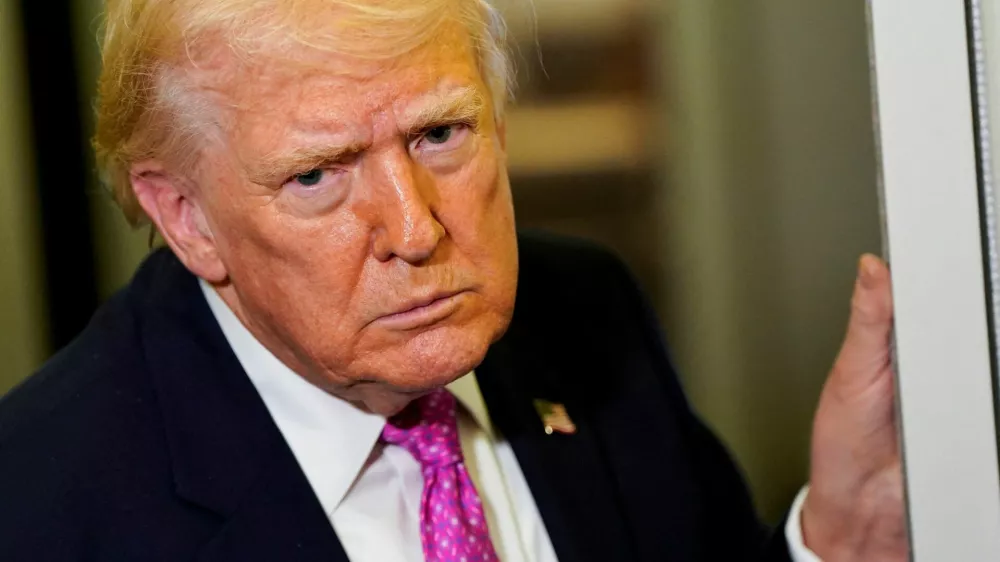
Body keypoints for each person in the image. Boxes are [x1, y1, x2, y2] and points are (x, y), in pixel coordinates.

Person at [0, 1, 906, 560]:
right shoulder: (40, 505)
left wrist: (840, 542)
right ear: (187, 218)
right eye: (317, 176)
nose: (415, 229)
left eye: (440, 135)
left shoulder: (584, 312)